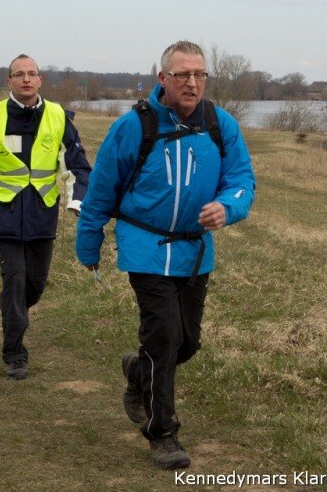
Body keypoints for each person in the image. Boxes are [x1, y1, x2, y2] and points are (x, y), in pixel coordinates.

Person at [75, 40, 255, 470]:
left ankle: (138, 371)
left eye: (199, 75)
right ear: (163, 78)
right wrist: (89, 241)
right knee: (164, 338)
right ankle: (163, 434)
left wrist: (227, 206)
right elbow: (101, 189)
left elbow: (242, 180)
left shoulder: (220, 124)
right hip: (145, 247)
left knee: (188, 342)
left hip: (195, 251)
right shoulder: (134, 126)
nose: (192, 83)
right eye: (182, 75)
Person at [0, 54, 91, 380]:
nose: (26, 79)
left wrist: (77, 202)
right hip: (4, 216)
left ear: (40, 80)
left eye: (32, 74)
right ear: (9, 81)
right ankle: (15, 354)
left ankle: (12, 314)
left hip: (42, 217)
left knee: (34, 285)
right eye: (19, 74)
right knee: (14, 280)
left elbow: (79, 168)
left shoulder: (58, 118)